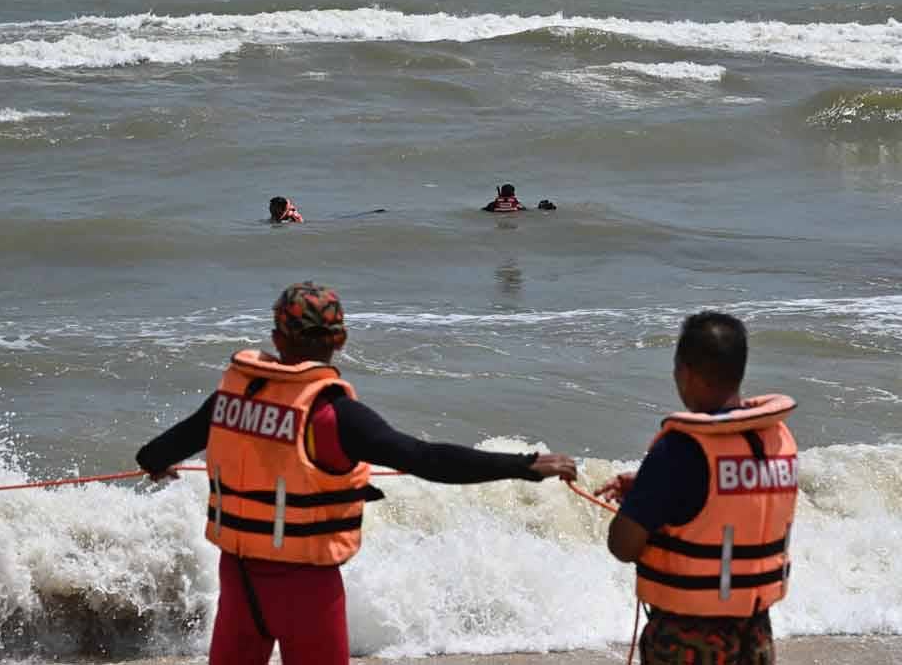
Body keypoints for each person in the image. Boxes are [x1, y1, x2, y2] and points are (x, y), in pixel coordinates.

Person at [136, 281, 578, 665]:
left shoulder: (229, 400)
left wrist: (160, 466)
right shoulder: (334, 416)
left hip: (238, 579)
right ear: (341, 337)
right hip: (305, 589)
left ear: (276, 337)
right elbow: (427, 459)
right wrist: (525, 465)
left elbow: (154, 453)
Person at [594, 312, 798, 665]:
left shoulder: (681, 449)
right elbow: (728, 502)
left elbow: (623, 545)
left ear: (685, 372)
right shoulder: (777, 439)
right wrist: (653, 490)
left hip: (687, 639)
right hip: (756, 632)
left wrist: (646, 496)